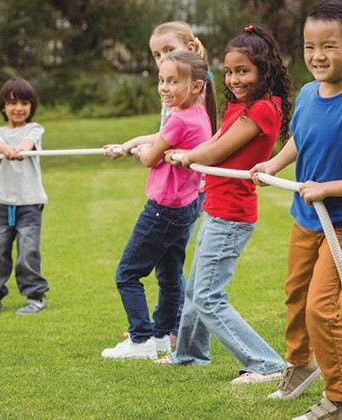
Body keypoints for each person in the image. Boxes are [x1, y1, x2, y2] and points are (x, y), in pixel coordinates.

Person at [249, 1, 342, 418]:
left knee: (321, 307)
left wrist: (327, 187)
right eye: (309, 46)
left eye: (328, 46)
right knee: (295, 294)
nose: (317, 56)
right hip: (305, 217)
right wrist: (272, 163)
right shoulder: (309, 94)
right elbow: (300, 139)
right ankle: (300, 364)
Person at [156, 25, 292, 386]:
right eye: (229, 71)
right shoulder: (243, 105)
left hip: (232, 214)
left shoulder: (263, 109)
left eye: (243, 71)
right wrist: (188, 153)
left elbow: (217, 150)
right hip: (216, 207)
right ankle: (189, 354)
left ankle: (267, 364)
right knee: (195, 289)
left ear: (265, 71)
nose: (234, 79)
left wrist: (188, 156)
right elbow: (216, 137)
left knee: (208, 297)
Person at [104, 21, 215, 347]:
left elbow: (152, 156)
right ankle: (165, 331)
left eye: (169, 52)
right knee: (169, 272)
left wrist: (141, 151)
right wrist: (128, 145)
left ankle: (140, 339)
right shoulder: (191, 109)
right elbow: (161, 140)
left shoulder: (183, 112)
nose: (164, 86)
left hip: (166, 206)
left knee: (127, 273)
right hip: (184, 203)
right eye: (160, 76)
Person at [0, 77, 49, 315]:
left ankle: (35, 297)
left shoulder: (34, 129)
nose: (19, 108)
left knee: (28, 252)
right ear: (3, 107)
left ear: (32, 107)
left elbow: (29, 143)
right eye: (12, 103)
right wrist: (8, 150)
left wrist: (22, 150)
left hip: (29, 203)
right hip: (0, 202)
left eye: (25, 103)